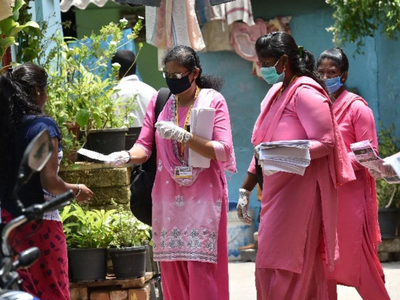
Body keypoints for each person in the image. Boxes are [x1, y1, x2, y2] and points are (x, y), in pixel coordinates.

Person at [105, 45, 236, 300]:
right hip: (167, 199)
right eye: (167, 74)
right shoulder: (160, 100)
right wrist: (125, 156)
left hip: (203, 198)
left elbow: (224, 150)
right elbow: (144, 145)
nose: (171, 79)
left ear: (194, 72)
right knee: (172, 270)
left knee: (201, 269)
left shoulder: (212, 100)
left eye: (178, 75)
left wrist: (184, 136)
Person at [236, 32, 355, 300]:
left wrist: (285, 154)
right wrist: (245, 190)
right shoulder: (274, 93)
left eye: (266, 63)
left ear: (284, 61)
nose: (263, 68)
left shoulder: (306, 92)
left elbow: (326, 143)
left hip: (300, 194)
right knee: (267, 263)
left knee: (291, 265)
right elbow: (261, 147)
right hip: (275, 193)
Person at [0, 63, 93, 300]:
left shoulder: (6, 127)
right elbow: (50, 181)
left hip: (9, 223)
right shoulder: (43, 126)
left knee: (23, 293)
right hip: (40, 224)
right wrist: (76, 190)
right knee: (53, 292)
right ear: (38, 91)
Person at [317, 47, 391, 300]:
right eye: (322, 72)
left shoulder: (358, 109)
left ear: (344, 76)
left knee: (358, 259)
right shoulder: (318, 106)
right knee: (323, 260)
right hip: (325, 196)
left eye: (332, 72)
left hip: (351, 199)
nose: (326, 77)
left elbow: (368, 154)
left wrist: (329, 160)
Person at [111, 50, 156, 128]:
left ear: (115, 70)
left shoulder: (114, 94)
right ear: (136, 67)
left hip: (123, 140)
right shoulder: (152, 92)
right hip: (150, 139)